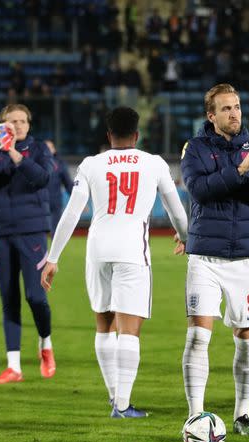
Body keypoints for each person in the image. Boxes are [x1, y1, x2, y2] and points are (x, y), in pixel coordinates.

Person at [41, 107, 189, 418]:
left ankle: (114, 397)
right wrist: (185, 235)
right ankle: (122, 405)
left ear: (108, 136)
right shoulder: (154, 163)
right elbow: (175, 208)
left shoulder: (91, 164)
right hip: (131, 250)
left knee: (104, 325)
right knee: (130, 331)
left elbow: (72, 211)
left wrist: (53, 257)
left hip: (97, 248)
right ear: (137, 135)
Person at [180, 83, 249, 437]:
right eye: (226, 108)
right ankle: (196, 416)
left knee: (247, 336)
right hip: (205, 257)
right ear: (211, 115)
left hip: (244, 257)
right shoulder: (194, 149)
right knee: (198, 336)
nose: (234, 113)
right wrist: (239, 170)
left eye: (237, 106)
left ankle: (243, 414)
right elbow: (199, 191)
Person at [0, 104, 55, 384]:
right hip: (1, 233)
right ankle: (13, 366)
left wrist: (15, 153)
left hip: (32, 233)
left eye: (21, 121)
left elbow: (42, 179)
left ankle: (45, 343)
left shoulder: (39, 149)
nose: (16, 126)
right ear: (2, 125)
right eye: (11, 122)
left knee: (35, 296)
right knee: (9, 300)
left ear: (29, 125)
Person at [44, 140, 74, 235]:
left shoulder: (60, 164)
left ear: (54, 150)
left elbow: (68, 183)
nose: (48, 150)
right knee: (39, 230)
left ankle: (54, 250)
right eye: (46, 148)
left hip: (55, 202)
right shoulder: (35, 163)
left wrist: (77, 199)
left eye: (50, 147)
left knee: (55, 230)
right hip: (39, 202)